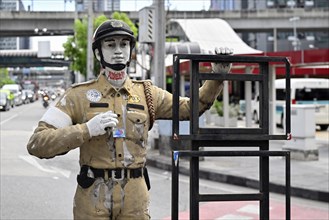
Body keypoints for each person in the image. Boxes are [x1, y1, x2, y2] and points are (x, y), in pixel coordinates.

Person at [27, 19, 232, 220]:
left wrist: (217, 77)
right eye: (110, 45)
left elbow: (190, 108)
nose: (118, 50)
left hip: (134, 197)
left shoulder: (148, 94)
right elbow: (37, 143)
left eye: (124, 44)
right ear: (98, 52)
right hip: (92, 196)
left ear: (130, 50)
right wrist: (86, 130)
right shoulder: (77, 96)